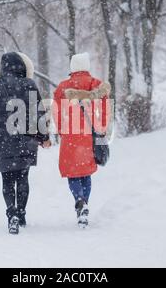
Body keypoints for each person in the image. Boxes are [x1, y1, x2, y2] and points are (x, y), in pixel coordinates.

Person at [0, 52, 51, 235]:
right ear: (23, 66)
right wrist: (44, 137)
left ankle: (11, 215)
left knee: (7, 180)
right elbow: (38, 115)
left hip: (3, 142)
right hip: (25, 141)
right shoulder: (29, 85)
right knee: (22, 179)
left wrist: (2, 127)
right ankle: (21, 214)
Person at [53, 52, 111, 228]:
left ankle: (79, 201)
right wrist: (101, 127)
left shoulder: (63, 87)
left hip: (70, 134)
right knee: (86, 171)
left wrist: (61, 130)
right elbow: (105, 108)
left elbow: (56, 111)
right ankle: (84, 203)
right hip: (89, 133)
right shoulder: (96, 85)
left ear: (72, 67)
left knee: (73, 172)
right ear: (87, 66)